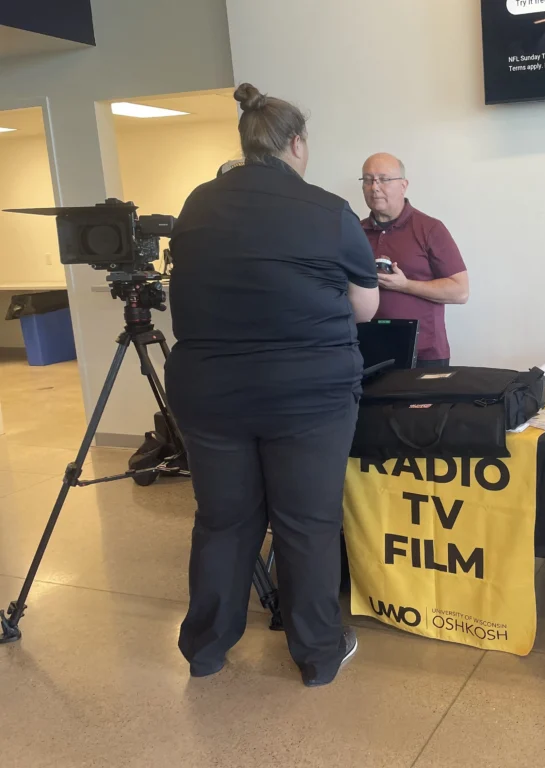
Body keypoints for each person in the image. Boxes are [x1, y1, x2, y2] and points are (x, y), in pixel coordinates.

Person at [166, 83, 379, 687]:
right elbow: (366, 308)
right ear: (297, 143)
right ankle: (317, 655)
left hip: (210, 392)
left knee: (223, 520)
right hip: (307, 397)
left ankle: (206, 649)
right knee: (306, 523)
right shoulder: (328, 211)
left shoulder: (197, 204)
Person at [360, 153, 469, 368]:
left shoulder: (430, 228)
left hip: (424, 354)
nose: (375, 187)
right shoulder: (354, 230)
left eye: (384, 179)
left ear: (403, 185)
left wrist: (405, 285)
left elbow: (460, 292)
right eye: (368, 180)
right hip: (368, 350)